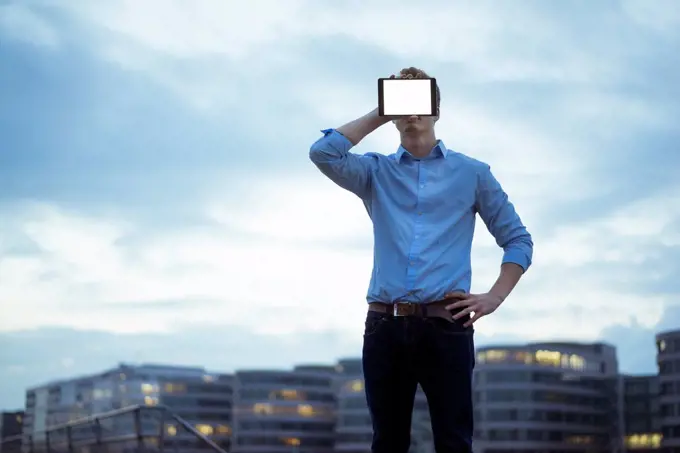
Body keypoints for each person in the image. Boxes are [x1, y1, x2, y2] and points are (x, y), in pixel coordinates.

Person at [308, 67, 533, 453]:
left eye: (420, 102)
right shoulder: (374, 172)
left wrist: (493, 297)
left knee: (454, 442)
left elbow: (517, 240)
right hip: (384, 326)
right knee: (387, 443)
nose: (413, 113)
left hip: (447, 326)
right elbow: (323, 153)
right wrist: (382, 110)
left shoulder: (473, 173)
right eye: (404, 104)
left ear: (437, 110)